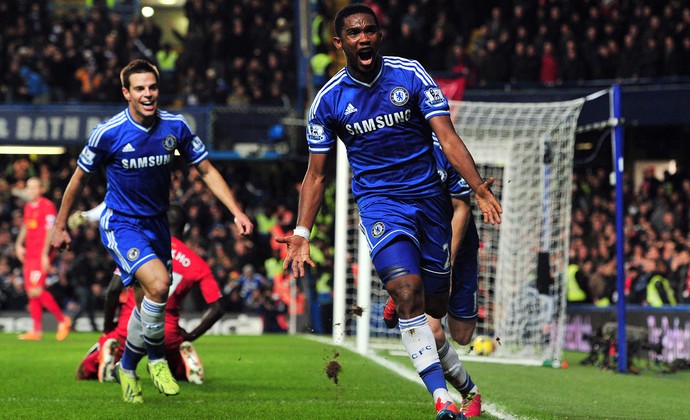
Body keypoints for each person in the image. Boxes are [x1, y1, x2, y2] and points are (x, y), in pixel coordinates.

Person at [276, 5, 501, 420]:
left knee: (435, 310)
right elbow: (317, 174)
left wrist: (477, 188)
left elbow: (447, 138)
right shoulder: (328, 101)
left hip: (430, 203)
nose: (363, 38)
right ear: (339, 43)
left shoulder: (410, 75)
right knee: (406, 292)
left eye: (370, 30)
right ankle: (441, 400)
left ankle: (467, 388)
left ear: (379, 36)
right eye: (354, 33)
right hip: (381, 205)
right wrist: (302, 232)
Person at [50, 59, 253, 404]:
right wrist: (60, 225)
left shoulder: (175, 126)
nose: (148, 94)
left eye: (152, 87)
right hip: (122, 224)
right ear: (126, 93)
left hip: (157, 224)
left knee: (146, 305)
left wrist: (236, 211)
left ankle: (127, 368)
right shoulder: (109, 132)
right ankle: (157, 360)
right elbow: (79, 179)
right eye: (140, 88)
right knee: (161, 285)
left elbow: (205, 170)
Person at [383, 140, 483, 417]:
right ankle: (467, 392)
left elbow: (462, 207)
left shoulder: (446, 148)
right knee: (433, 330)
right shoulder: (390, 148)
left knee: (462, 335)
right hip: (422, 240)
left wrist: (447, 265)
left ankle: (404, 300)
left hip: (457, 245)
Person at [75, 205, 226, 385]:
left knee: (84, 371)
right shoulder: (197, 263)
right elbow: (218, 307)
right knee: (177, 373)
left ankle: (110, 355)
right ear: (185, 229)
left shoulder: (141, 251)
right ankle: (184, 360)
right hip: (166, 331)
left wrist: (108, 328)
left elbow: (113, 290)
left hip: (129, 324)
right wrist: (191, 335)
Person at [15, 177, 72, 341]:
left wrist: (44, 255)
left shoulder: (47, 206)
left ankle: (63, 320)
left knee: (36, 290)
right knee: (31, 293)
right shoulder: (28, 207)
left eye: (34, 188)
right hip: (30, 253)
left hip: (41, 252)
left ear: (42, 189)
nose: (30, 190)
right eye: (28, 187)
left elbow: (49, 231)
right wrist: (19, 245)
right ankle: (37, 330)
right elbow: (26, 226)